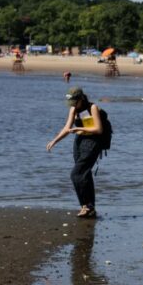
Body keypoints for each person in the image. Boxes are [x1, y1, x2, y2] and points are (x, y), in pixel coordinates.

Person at [46, 87, 106, 218]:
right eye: (70, 103)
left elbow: (99, 129)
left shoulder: (93, 107)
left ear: (81, 99)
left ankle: (86, 205)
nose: (72, 105)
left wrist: (79, 127)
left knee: (76, 174)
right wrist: (54, 141)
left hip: (93, 142)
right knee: (84, 175)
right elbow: (67, 128)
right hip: (79, 143)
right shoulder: (73, 109)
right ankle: (89, 208)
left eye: (74, 102)